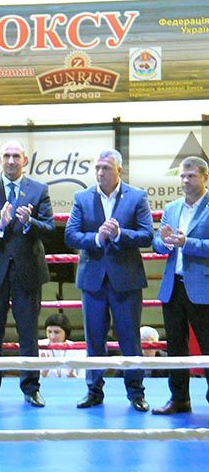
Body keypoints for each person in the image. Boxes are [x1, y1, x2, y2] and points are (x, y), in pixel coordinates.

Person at [65, 149, 152, 412]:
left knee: (130, 339)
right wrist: (97, 238)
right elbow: (71, 235)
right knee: (94, 339)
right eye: (98, 168)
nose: (100, 172)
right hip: (93, 280)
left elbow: (147, 235)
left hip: (126, 280)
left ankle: (136, 393)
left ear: (119, 170)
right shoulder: (82, 197)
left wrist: (119, 234)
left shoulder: (136, 196)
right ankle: (93, 391)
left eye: (106, 168)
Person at [0, 140, 53, 408]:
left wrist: (30, 222)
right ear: (0, 160)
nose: (11, 160)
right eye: (6, 155)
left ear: (25, 160)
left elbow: (50, 229)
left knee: (29, 334)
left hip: (27, 271)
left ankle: (31, 389)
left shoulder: (39, 190)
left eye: (16, 156)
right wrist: (0, 224)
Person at [151, 156, 209, 414]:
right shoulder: (172, 208)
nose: (185, 181)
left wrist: (188, 243)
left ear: (205, 178)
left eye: (191, 176)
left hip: (203, 287)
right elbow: (156, 242)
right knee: (175, 345)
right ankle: (179, 398)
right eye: (183, 176)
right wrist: (164, 242)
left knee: (208, 345)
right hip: (173, 286)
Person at [38, 313, 84, 378]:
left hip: (70, 384)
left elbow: (83, 379)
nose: (52, 336)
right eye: (49, 332)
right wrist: (44, 373)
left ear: (66, 332)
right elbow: (30, 380)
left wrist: (72, 375)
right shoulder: (40, 346)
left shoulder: (77, 349)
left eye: (56, 332)